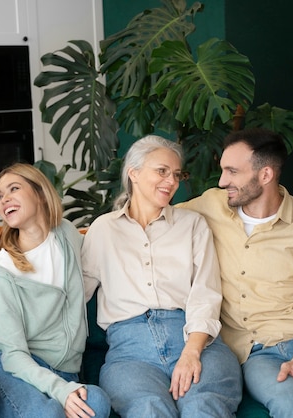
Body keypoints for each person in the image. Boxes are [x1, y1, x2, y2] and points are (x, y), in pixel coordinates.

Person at [178, 128, 293, 417]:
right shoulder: (210, 206)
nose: (222, 181)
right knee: (292, 407)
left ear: (265, 175)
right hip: (256, 352)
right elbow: (153, 216)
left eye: (232, 171)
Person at [82, 135, 243, 418]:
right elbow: (76, 292)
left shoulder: (192, 225)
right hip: (130, 353)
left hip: (195, 340)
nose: (171, 181)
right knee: (148, 409)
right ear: (133, 173)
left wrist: (192, 352)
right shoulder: (103, 230)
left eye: (176, 174)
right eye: (161, 171)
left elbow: (205, 292)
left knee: (201, 407)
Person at [0, 163, 112, 418]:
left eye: (13, 189)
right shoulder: (1, 276)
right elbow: (14, 356)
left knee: (98, 403)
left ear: (39, 192)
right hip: (16, 369)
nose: (4, 199)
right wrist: (61, 391)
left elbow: (99, 259)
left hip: (65, 369)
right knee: (46, 414)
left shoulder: (66, 234)